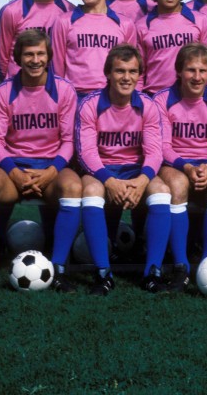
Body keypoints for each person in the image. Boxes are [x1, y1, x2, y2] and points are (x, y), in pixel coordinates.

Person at [0, 29, 83, 293]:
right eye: (28, 54)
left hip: (51, 166)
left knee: (74, 188)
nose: (35, 59)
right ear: (18, 57)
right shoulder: (5, 91)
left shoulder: (64, 90)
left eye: (40, 53)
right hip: (13, 167)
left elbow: (69, 141)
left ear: (49, 56)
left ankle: (60, 269)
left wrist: (52, 172)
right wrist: (15, 173)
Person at [77, 44, 172, 295]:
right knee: (90, 190)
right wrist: (110, 181)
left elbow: (154, 152)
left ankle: (152, 272)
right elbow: (87, 153)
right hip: (102, 169)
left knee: (161, 189)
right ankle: (103, 273)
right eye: (120, 71)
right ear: (107, 73)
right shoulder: (90, 104)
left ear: (139, 75)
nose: (126, 77)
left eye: (132, 71)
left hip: (135, 170)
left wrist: (142, 181)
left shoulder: (148, 106)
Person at [153, 43, 207, 290]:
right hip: (175, 162)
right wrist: (187, 167)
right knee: (177, 185)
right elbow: (164, 146)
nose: (197, 77)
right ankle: (181, 266)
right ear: (179, 71)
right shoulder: (161, 100)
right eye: (190, 70)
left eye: (203, 70)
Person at [56, 0, 136, 95]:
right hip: (75, 95)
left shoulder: (125, 24)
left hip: (112, 96)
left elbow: (133, 66)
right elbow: (57, 68)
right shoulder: (64, 21)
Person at [134, 0, 207, 94]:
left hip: (191, 95)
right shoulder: (141, 26)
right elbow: (138, 71)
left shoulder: (200, 21)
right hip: (154, 95)